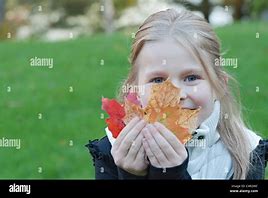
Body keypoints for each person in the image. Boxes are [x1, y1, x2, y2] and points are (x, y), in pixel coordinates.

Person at [86, 9, 267, 179]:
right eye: (157, 80)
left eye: (191, 78)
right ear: (134, 90)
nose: (176, 95)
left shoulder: (246, 153)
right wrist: (131, 175)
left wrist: (172, 174)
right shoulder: (113, 150)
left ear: (218, 86)